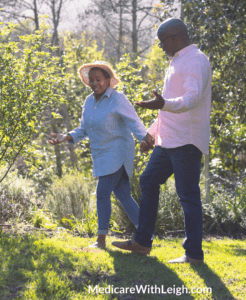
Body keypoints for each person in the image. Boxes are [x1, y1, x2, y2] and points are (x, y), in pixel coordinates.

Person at [112, 18, 212, 264]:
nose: (161, 47)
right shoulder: (177, 60)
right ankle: (142, 242)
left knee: (187, 194)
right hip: (168, 141)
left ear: (175, 38)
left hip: (186, 141)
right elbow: (167, 107)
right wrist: (152, 134)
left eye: (162, 42)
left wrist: (163, 103)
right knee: (148, 181)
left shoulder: (195, 60)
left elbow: (192, 99)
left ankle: (193, 254)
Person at [48, 61, 154, 249]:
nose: (95, 83)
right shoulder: (89, 101)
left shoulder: (118, 99)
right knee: (123, 195)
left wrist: (145, 138)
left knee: (102, 192)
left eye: (99, 79)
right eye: (91, 80)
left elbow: (134, 121)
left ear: (108, 80)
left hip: (118, 150)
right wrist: (66, 136)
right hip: (101, 153)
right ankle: (145, 235)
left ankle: (101, 240)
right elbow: (83, 128)